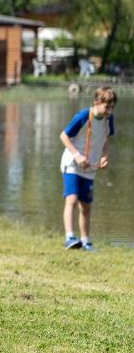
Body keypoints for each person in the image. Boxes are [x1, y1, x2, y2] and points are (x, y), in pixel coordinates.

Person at [59, 86, 117, 251]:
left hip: (89, 166)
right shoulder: (84, 116)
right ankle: (70, 238)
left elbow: (106, 138)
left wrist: (105, 155)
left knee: (86, 206)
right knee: (71, 199)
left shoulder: (108, 118)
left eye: (112, 107)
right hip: (72, 162)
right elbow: (63, 136)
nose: (110, 111)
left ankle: (85, 242)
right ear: (96, 102)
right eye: (107, 107)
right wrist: (77, 156)